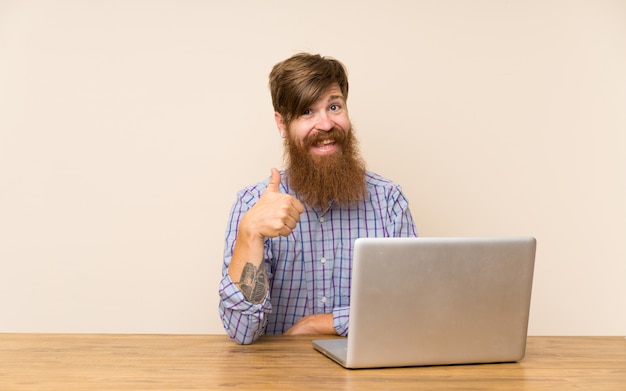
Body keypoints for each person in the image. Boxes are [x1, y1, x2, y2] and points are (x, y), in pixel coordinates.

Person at [218, 53, 418, 344]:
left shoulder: (388, 201)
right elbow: (241, 331)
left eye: (334, 107)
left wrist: (318, 324)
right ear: (282, 124)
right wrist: (250, 233)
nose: (325, 125)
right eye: (307, 113)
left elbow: (411, 309)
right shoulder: (252, 205)